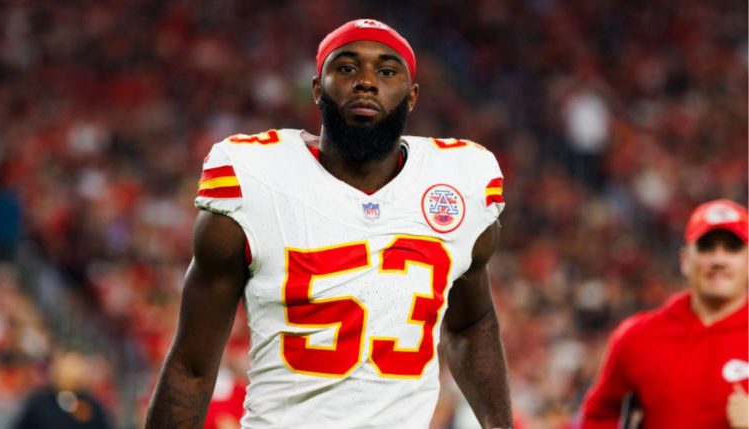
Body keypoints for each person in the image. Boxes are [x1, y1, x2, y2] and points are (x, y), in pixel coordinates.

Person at [146, 19, 513, 429]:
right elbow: (192, 367)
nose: (367, 82)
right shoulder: (256, 179)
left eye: (387, 71)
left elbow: (470, 323)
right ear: (318, 88)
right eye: (347, 68)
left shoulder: (459, 180)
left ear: (411, 97)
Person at [580, 199, 749, 428]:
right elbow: (598, 417)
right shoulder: (638, 338)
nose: (718, 260)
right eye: (707, 247)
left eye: (732, 248)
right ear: (685, 260)